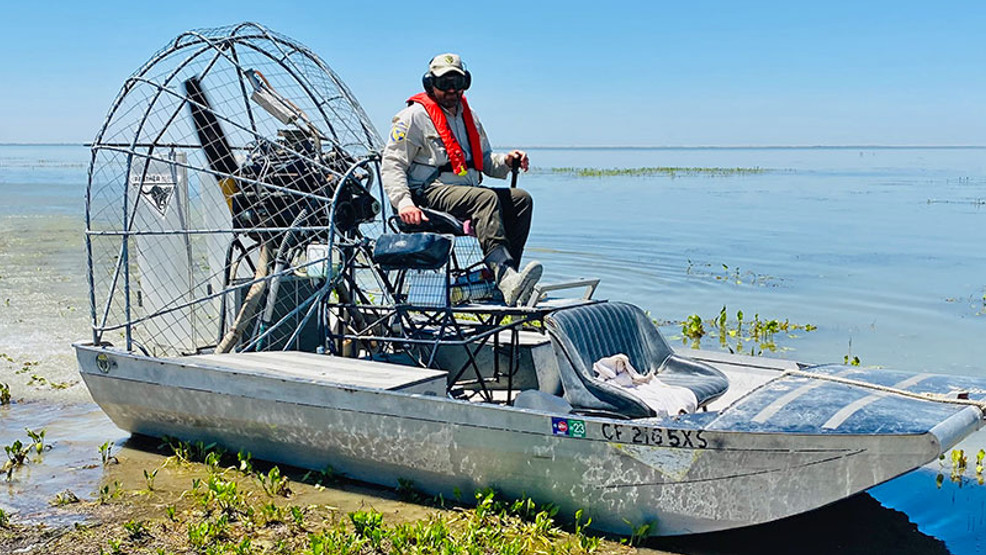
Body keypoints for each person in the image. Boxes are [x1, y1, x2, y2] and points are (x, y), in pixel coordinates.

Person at [381, 53, 542, 306]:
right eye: (445, 83)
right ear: (429, 84)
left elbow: (485, 160)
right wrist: (404, 203)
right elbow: (392, 164)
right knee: (485, 199)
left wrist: (507, 161)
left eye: (457, 82)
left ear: (466, 82)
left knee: (521, 200)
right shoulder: (412, 117)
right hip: (428, 193)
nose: (452, 90)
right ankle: (505, 276)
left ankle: (507, 279)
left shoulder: (470, 116)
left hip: (465, 192)